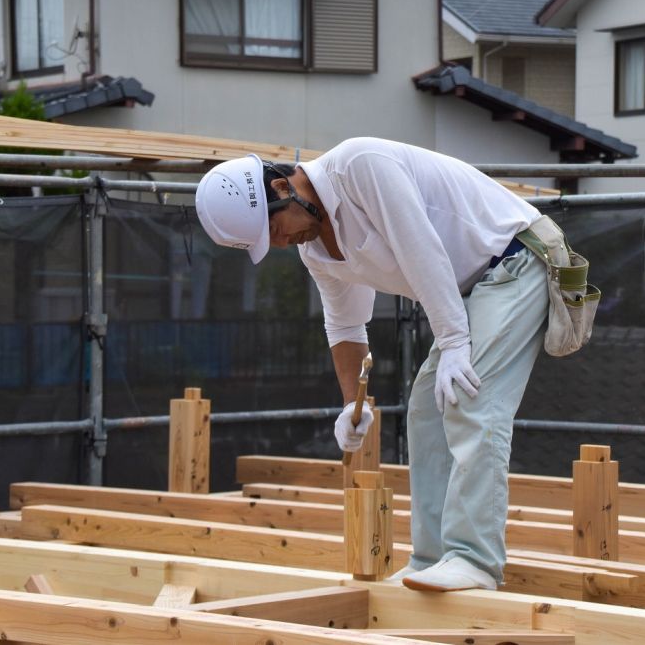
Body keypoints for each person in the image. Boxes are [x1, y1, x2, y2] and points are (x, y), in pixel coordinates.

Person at [195, 137, 548, 592]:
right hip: (470, 291)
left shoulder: (359, 167)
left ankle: (475, 561)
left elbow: (420, 246)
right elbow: (345, 326)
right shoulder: (317, 251)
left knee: (467, 398)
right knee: (426, 409)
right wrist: (350, 404)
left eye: (275, 229)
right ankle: (431, 558)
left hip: (517, 260)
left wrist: (455, 340)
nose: (280, 243)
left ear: (282, 188)